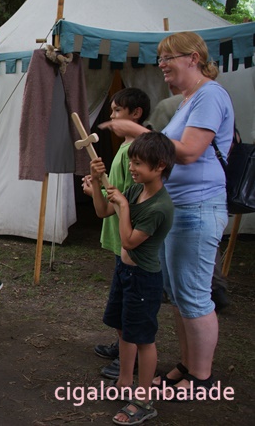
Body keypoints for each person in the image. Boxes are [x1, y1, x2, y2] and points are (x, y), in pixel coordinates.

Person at [99, 32, 234, 401]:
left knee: (194, 295)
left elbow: (188, 152)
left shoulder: (209, 95)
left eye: (168, 57)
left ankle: (201, 377)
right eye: (160, 58)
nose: (161, 64)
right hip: (182, 209)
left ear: (193, 58)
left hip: (199, 207)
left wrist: (138, 131)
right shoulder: (188, 100)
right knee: (178, 293)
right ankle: (187, 367)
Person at [90, 132, 175, 425]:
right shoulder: (136, 190)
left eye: (138, 163)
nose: (132, 168)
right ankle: (124, 382)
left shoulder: (160, 207)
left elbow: (128, 241)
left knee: (143, 339)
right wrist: (96, 181)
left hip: (143, 279)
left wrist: (124, 206)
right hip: (124, 272)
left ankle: (144, 400)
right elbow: (103, 211)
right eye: (131, 162)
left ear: (160, 166)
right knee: (123, 329)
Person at [81, 88, 151, 379]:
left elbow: (121, 203)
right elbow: (112, 198)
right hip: (121, 239)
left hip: (131, 240)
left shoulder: (138, 153)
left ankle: (129, 357)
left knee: (130, 303)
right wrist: (97, 183)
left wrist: (96, 189)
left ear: (136, 114)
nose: (111, 117)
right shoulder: (126, 149)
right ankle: (123, 346)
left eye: (117, 111)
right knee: (122, 299)